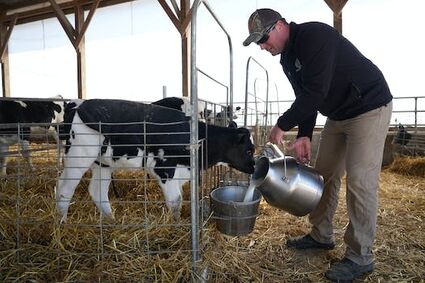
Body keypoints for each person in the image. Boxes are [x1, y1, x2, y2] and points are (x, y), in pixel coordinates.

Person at [243, 8, 393, 282]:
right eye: (258, 44)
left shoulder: (315, 36)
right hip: (338, 114)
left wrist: (281, 126)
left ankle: (361, 257)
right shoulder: (287, 59)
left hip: (369, 106)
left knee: (360, 180)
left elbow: (315, 93)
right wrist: (304, 135)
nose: (263, 47)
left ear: (278, 26)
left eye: (263, 40)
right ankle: (321, 235)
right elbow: (306, 97)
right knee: (323, 176)